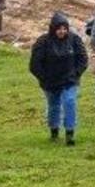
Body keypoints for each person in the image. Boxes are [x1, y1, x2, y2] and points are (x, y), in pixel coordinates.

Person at [29, 12, 88, 146]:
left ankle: (69, 132)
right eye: (59, 29)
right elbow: (34, 64)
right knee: (53, 105)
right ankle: (54, 130)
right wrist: (44, 78)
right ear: (53, 29)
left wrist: (76, 74)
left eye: (64, 29)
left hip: (69, 80)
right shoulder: (43, 42)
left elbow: (83, 59)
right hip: (50, 81)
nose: (62, 31)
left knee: (69, 101)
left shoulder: (74, 40)